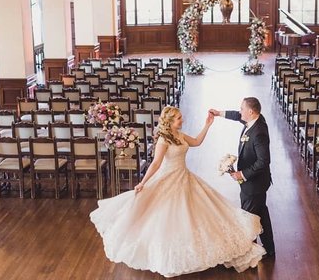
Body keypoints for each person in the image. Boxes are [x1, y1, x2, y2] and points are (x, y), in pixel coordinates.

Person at [90, 106, 265, 278]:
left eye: (181, 117)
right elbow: (156, 163)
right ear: (170, 121)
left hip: (184, 176)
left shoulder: (179, 135)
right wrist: (143, 182)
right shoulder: (163, 140)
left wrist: (208, 125)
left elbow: (196, 142)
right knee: (168, 218)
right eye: (179, 118)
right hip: (168, 179)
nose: (183, 120)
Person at [209, 97, 275, 258]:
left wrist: (242, 174)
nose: (240, 112)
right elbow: (237, 116)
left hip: (254, 184)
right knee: (261, 215)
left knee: (248, 218)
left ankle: (246, 253)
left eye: (242, 109)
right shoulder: (254, 119)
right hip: (255, 184)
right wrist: (219, 113)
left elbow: (263, 161)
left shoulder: (259, 132)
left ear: (251, 112)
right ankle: (269, 250)